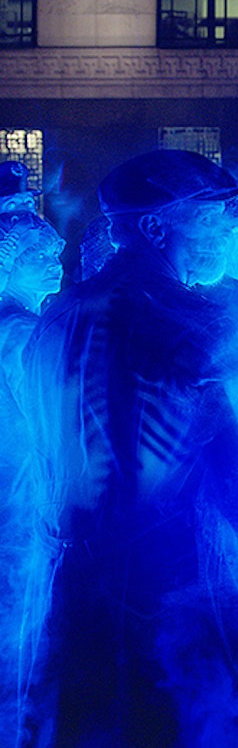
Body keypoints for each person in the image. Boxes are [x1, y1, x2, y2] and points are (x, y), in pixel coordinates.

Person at [26, 150, 238, 746]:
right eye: (211, 220)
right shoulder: (206, 331)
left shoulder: (56, 319)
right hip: (189, 591)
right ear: (155, 227)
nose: (229, 233)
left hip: (82, 583)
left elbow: (47, 459)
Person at [0, 208, 62, 744]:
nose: (58, 265)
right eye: (40, 258)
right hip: (22, 502)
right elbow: (49, 426)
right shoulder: (21, 333)